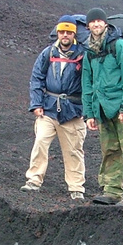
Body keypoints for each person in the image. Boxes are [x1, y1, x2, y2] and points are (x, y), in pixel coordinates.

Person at [81, 7, 123, 206]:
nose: (96, 24)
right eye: (93, 21)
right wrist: (89, 113)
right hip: (102, 109)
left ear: (105, 23)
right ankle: (112, 191)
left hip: (121, 108)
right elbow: (87, 83)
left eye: (100, 21)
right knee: (110, 150)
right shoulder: (90, 52)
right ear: (88, 25)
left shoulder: (120, 45)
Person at [21, 16, 87, 200]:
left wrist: (87, 110)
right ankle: (33, 180)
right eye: (62, 31)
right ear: (57, 32)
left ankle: (76, 187)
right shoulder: (48, 53)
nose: (65, 35)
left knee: (74, 150)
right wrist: (36, 104)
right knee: (40, 142)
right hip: (48, 108)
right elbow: (36, 78)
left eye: (69, 32)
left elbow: (90, 83)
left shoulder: (83, 54)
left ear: (74, 34)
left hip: (73, 111)